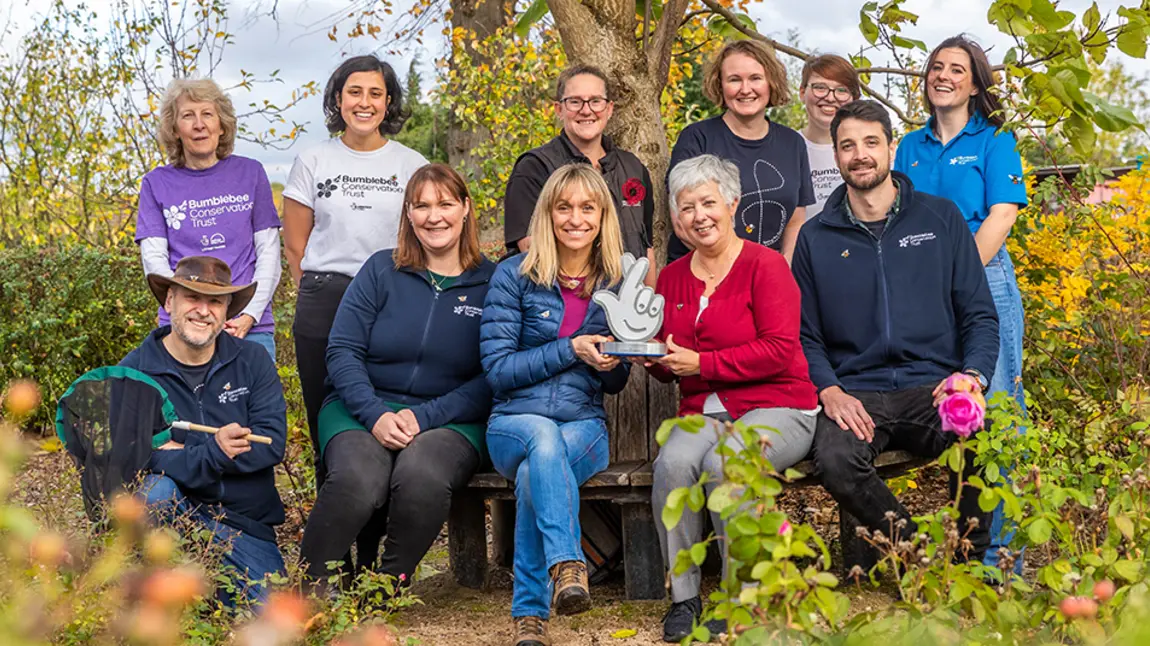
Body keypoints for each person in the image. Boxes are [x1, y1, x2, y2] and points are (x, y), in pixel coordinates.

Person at [792, 101, 999, 567]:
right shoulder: (815, 236)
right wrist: (828, 388)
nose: (859, 154)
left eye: (870, 142)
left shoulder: (940, 219)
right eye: (847, 145)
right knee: (835, 460)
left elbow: (980, 315)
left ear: (890, 147)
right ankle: (920, 560)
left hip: (933, 386)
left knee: (981, 435)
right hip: (857, 393)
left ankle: (971, 567)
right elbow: (805, 334)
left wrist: (972, 377)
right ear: (837, 156)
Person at [635, 155, 819, 642]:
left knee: (727, 463)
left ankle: (740, 598)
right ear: (676, 218)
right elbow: (671, 360)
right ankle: (684, 597)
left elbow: (780, 351)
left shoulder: (767, 265)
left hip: (781, 406)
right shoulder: (672, 277)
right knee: (672, 465)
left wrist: (704, 365)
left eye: (709, 202)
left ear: (732, 204)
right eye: (687, 206)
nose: (700, 215)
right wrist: (651, 359)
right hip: (703, 412)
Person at [298, 164, 496, 588]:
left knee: (422, 474)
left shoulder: (493, 283)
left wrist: (425, 418)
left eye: (445, 204)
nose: (434, 216)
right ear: (408, 214)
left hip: (451, 418)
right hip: (359, 407)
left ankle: (385, 589)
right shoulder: (380, 271)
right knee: (357, 479)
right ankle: (312, 589)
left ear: (465, 209)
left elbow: (492, 373)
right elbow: (343, 350)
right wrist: (374, 414)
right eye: (421, 205)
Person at [893, 35, 1029, 575]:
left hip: (985, 280)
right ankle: (966, 557)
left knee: (996, 418)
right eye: (935, 67)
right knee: (955, 415)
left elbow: (1002, 215)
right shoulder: (908, 146)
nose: (943, 75)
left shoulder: (995, 139)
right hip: (923, 290)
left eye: (956, 68)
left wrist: (957, 279)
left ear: (975, 83)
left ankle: (1002, 565)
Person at [480, 164, 630, 646]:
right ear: (547, 213)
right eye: (564, 207)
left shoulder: (616, 280)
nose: (575, 218)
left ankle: (529, 617)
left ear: (603, 215)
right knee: (539, 440)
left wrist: (612, 361)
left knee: (533, 473)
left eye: (588, 207)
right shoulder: (513, 277)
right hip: (513, 424)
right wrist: (571, 348)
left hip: (583, 427)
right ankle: (568, 564)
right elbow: (498, 369)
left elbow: (618, 381)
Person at [282, 55, 429, 475]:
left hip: (392, 298)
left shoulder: (411, 164)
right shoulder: (312, 161)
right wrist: (315, 290)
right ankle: (334, 529)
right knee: (323, 413)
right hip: (324, 299)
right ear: (338, 99)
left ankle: (375, 530)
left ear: (388, 103)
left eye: (376, 94)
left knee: (381, 410)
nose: (364, 103)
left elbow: (427, 234)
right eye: (354, 92)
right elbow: (295, 245)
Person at [124, 255, 288, 606]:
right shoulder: (134, 372)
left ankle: (208, 594)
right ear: (170, 301)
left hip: (245, 525)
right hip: (172, 516)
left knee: (273, 621)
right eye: (192, 298)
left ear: (227, 309)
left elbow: (271, 444)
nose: (203, 310)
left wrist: (176, 455)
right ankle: (163, 595)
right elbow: (129, 456)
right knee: (155, 493)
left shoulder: (253, 361)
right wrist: (212, 452)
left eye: (215, 301)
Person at [135, 79, 282, 361]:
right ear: (175, 129)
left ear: (222, 125)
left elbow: (269, 254)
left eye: (207, 114)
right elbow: (153, 259)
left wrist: (249, 315)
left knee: (254, 405)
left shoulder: (251, 174)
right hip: (183, 329)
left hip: (247, 328)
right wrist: (186, 319)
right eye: (188, 115)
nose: (199, 124)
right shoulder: (156, 183)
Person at [503, 65, 657, 285]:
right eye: (575, 102)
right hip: (564, 306)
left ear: (609, 108)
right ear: (559, 109)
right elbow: (531, 250)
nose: (586, 110)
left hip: (628, 309)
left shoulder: (633, 168)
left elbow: (647, 250)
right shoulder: (534, 168)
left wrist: (649, 311)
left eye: (596, 101)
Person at [667, 40, 814, 263]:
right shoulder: (697, 139)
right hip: (706, 275)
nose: (745, 89)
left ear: (771, 82)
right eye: (734, 79)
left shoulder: (793, 143)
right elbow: (683, 220)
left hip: (769, 276)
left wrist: (783, 265)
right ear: (720, 85)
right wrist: (741, 274)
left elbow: (795, 218)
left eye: (755, 78)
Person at [799, 54, 861, 219]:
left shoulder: (872, 152)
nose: (830, 97)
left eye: (842, 90)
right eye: (820, 87)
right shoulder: (786, 148)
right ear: (802, 92)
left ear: (854, 99)